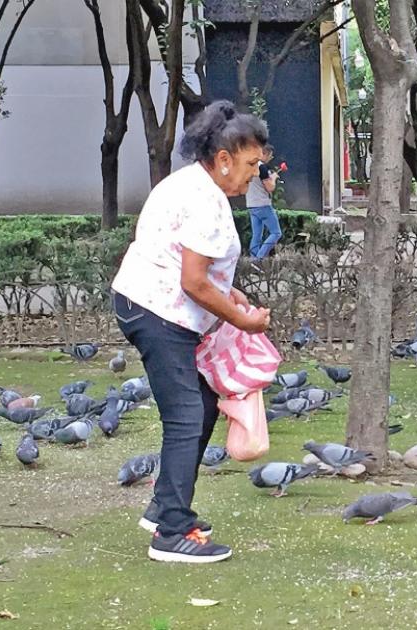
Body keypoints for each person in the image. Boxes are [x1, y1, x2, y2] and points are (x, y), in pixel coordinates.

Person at [111, 100, 271, 564]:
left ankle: (166, 506)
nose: (254, 175)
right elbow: (194, 281)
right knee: (186, 416)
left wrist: (231, 291)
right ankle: (171, 534)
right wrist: (245, 321)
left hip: (143, 302)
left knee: (200, 406)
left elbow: (187, 258)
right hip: (160, 313)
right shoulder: (208, 202)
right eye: (250, 164)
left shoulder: (188, 183)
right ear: (224, 159)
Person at [245, 144, 282, 262]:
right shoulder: (262, 168)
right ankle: (258, 259)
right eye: (270, 156)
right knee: (276, 233)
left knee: (256, 235)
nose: (270, 159)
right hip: (263, 204)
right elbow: (270, 187)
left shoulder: (249, 165)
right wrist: (274, 178)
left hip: (251, 204)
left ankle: (252, 260)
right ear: (264, 154)